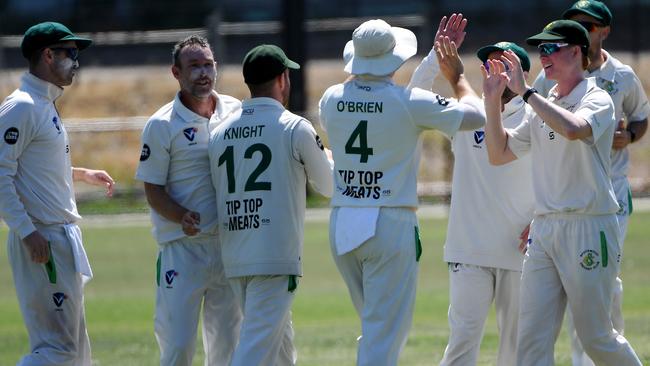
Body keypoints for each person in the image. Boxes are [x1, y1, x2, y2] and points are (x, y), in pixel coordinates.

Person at [319, 19, 485, 366]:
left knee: (375, 328)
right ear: (393, 59)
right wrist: (455, 76)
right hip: (389, 223)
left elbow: (390, 96)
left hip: (343, 222)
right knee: (384, 336)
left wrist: (428, 63)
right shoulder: (406, 103)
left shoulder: (330, 98)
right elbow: (475, 116)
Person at [482, 19, 642, 365]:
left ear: (576, 51)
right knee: (531, 344)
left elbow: (573, 130)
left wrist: (526, 92)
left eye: (552, 48)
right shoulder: (545, 100)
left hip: (588, 225)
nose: (544, 55)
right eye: (541, 49)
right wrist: (492, 102)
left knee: (596, 338)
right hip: (545, 230)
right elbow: (499, 153)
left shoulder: (596, 96)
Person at [409, 14, 535, 366]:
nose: (491, 70)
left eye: (502, 65)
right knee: (461, 346)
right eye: (488, 64)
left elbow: (559, 177)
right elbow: (413, 97)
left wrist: (541, 219)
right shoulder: (468, 112)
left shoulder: (536, 116)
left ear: (519, 75)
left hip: (519, 253)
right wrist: (435, 56)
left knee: (516, 351)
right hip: (469, 252)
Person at [530, 3, 650, 364]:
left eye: (588, 25)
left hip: (607, 191)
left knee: (605, 288)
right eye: (574, 23)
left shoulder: (621, 76)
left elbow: (641, 117)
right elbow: (535, 134)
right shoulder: (545, 79)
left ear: (604, 31)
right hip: (560, 200)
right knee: (551, 305)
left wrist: (627, 135)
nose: (580, 28)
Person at [208, 44, 333, 366]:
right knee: (255, 348)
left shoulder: (219, 132)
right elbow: (330, 186)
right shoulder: (294, 126)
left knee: (279, 349)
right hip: (275, 257)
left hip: (236, 253)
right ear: (282, 79)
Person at [0, 21, 115, 365]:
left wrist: (81, 174)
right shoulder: (21, 106)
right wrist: (28, 231)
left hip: (58, 237)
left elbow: (32, 167)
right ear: (48, 55)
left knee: (77, 353)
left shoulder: (43, 103)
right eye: (70, 53)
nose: (76, 62)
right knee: (58, 351)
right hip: (42, 239)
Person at [135, 35, 242, 366]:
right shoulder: (161, 124)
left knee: (227, 350)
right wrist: (181, 215)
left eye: (208, 64)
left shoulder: (235, 111)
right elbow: (152, 189)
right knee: (179, 348)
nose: (203, 73)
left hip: (228, 248)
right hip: (182, 250)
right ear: (176, 73)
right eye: (193, 66)